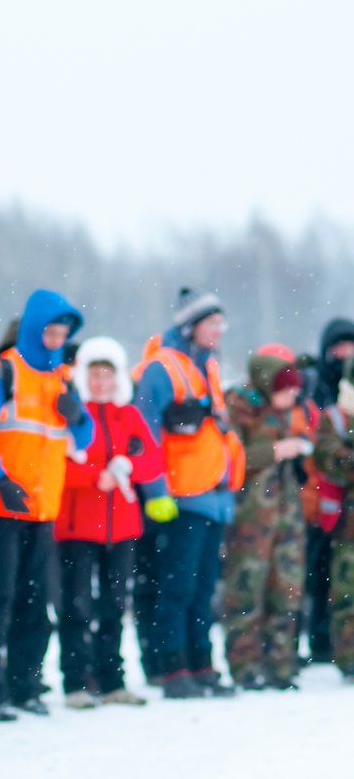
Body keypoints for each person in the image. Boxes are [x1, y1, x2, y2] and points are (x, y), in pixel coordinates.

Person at [0, 290, 93, 720]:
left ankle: (26, 685)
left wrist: (77, 415)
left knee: (34, 604)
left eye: (63, 334)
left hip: (42, 511)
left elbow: (85, 440)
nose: (57, 340)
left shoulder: (64, 379)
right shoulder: (1, 371)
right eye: (51, 332)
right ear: (35, 330)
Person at [133, 288, 243, 699]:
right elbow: (144, 434)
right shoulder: (162, 369)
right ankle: (171, 666)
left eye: (220, 323)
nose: (218, 330)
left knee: (202, 588)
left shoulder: (209, 368)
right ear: (190, 326)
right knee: (175, 587)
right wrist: (155, 490)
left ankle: (201, 662)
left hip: (214, 497)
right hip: (180, 497)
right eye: (212, 323)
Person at [55, 337, 165, 709]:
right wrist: (94, 478)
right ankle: (75, 680)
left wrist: (127, 466)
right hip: (78, 526)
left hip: (121, 526)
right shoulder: (72, 413)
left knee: (115, 605)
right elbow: (59, 466)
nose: (101, 382)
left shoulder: (129, 415)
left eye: (107, 374)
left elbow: (154, 460)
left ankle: (111, 678)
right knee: (77, 605)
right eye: (94, 374)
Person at [223, 350, 313, 690]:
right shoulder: (240, 408)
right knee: (246, 590)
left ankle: (281, 664)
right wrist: (275, 452)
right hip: (251, 519)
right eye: (286, 390)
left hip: (287, 516)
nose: (292, 397)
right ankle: (245, 664)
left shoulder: (286, 414)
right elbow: (232, 460)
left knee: (287, 590)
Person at [303, 318, 354, 663]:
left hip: (338, 495)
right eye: (338, 346)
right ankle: (320, 639)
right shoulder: (317, 386)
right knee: (318, 570)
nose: (343, 353)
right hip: (316, 490)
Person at [312, 365, 354, 682]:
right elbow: (331, 461)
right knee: (347, 593)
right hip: (348, 526)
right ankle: (350, 658)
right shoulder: (336, 418)